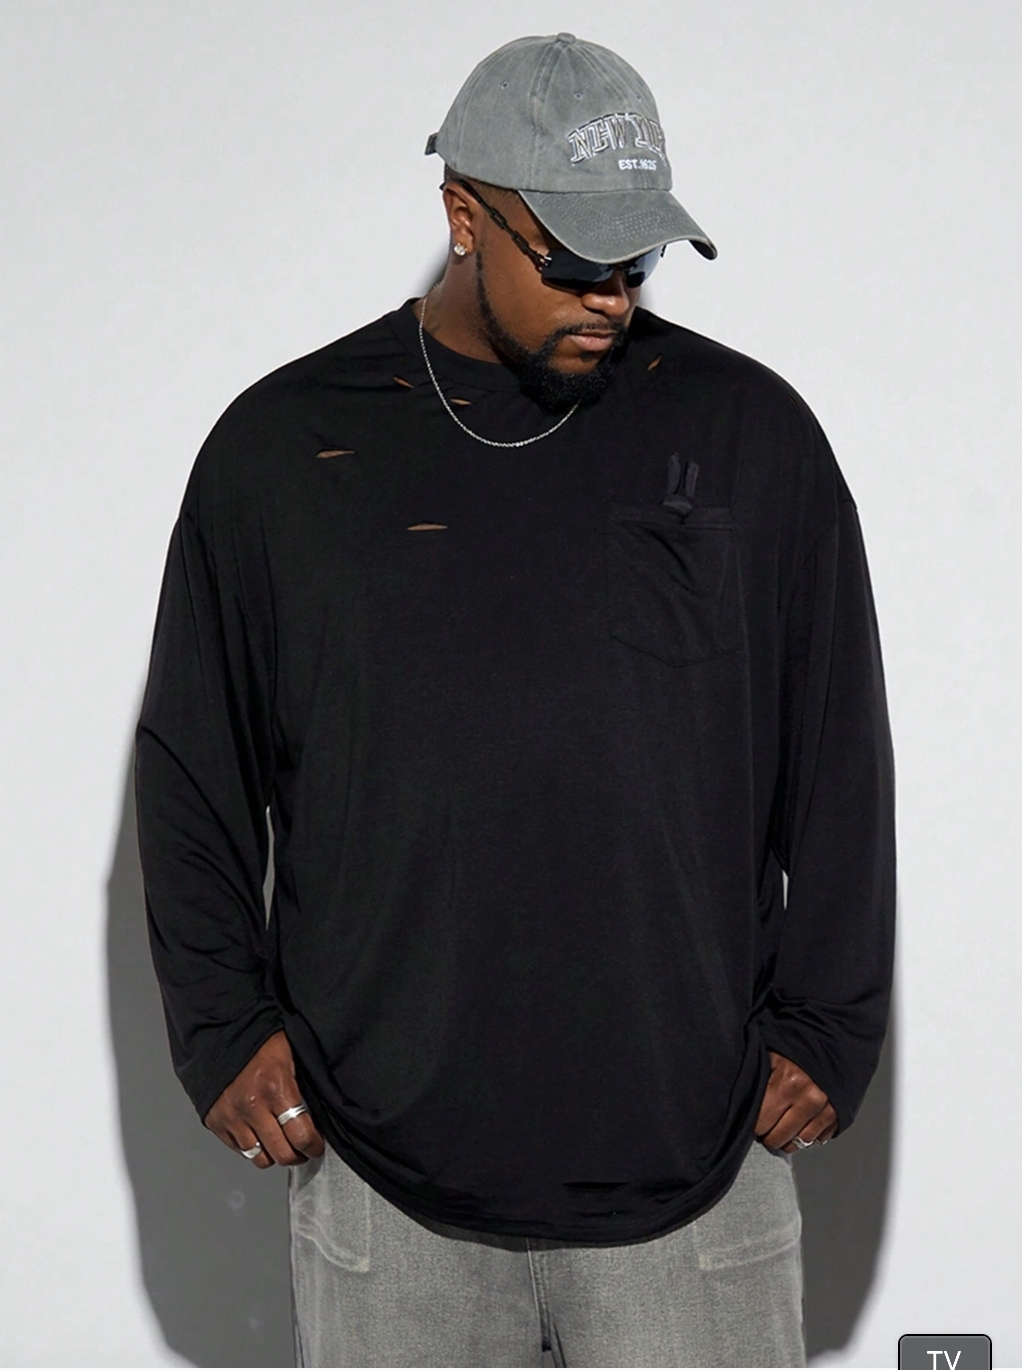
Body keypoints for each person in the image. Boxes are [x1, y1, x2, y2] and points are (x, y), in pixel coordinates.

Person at [133, 31, 896, 1369]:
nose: (609, 296)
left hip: (694, 1170)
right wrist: (221, 1027)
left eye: (636, 259)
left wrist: (829, 1026)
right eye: (571, 259)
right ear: (462, 214)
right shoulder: (285, 450)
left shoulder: (748, 438)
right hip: (388, 1177)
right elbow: (193, 767)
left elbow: (836, 750)